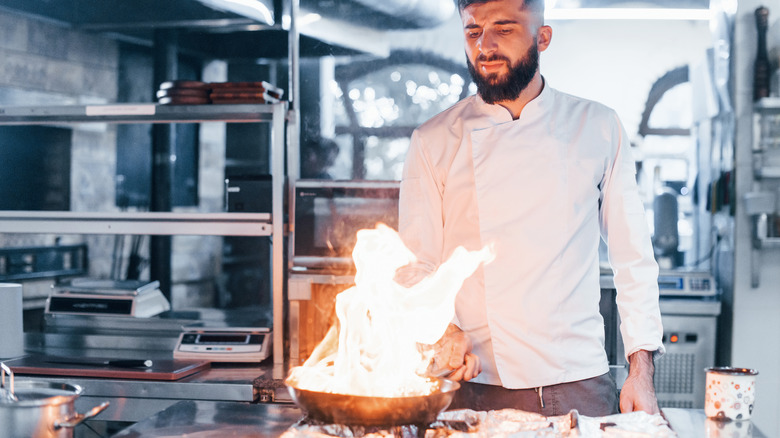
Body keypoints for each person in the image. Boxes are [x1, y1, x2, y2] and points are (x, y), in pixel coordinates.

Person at [396, 0, 665, 417]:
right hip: (477, 387)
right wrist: (442, 332)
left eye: (503, 29)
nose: (484, 46)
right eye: (473, 32)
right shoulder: (433, 141)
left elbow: (634, 260)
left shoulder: (596, 126)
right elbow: (416, 267)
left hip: (579, 383)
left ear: (543, 37)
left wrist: (641, 372)